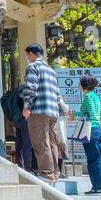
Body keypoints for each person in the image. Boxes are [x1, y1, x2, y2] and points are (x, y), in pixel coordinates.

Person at [21, 43, 66, 182]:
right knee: (52, 141)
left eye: (28, 55)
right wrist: (63, 109)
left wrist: (27, 106)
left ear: (32, 54)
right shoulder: (51, 70)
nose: (28, 58)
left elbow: (31, 87)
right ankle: (55, 172)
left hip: (39, 110)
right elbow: (57, 93)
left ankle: (46, 172)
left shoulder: (33, 67)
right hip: (53, 112)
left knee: (41, 141)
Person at [77, 75, 101, 194]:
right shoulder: (95, 97)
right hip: (97, 129)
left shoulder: (88, 97)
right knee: (98, 158)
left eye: (79, 83)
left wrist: (76, 115)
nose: (78, 85)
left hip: (90, 130)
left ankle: (97, 187)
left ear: (84, 85)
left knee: (92, 159)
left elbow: (89, 115)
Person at [0, 83, 36, 173]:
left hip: (17, 119)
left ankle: (19, 165)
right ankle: (28, 168)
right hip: (25, 119)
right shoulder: (28, 89)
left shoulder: (19, 88)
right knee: (26, 143)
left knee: (19, 143)